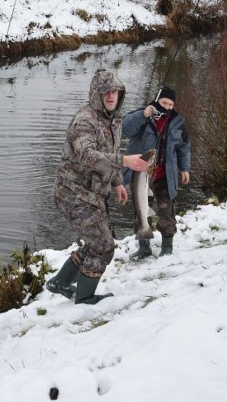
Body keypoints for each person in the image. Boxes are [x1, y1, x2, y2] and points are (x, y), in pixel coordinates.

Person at [45, 70, 152, 304]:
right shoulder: (85, 120)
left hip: (93, 194)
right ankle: (84, 299)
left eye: (115, 91)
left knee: (97, 242)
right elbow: (87, 156)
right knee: (104, 246)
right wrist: (125, 161)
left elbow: (108, 155)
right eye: (106, 92)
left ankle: (59, 283)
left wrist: (118, 183)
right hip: (73, 194)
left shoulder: (113, 120)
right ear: (97, 94)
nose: (111, 96)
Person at [121, 86, 191, 259]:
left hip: (165, 176)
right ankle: (144, 247)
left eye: (170, 104)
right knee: (140, 211)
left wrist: (184, 168)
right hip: (140, 177)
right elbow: (124, 129)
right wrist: (142, 115)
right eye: (164, 102)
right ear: (156, 101)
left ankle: (167, 248)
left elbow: (184, 147)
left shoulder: (178, 122)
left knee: (167, 211)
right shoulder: (143, 116)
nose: (167, 107)